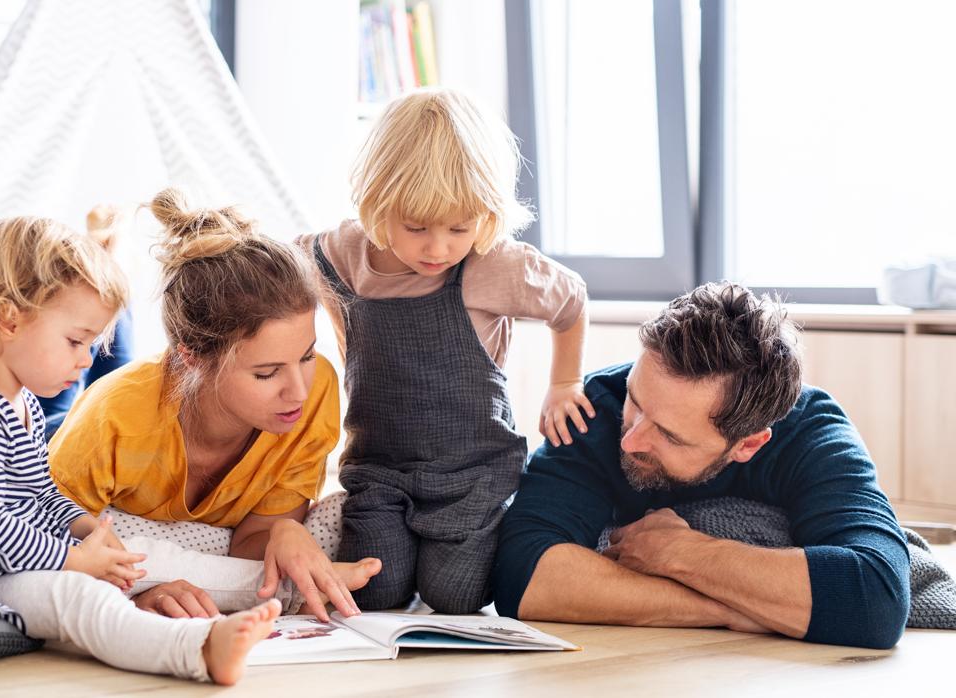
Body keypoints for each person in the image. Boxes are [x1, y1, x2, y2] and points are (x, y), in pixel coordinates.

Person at [0, 215, 281, 685]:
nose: (87, 358)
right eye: (76, 341)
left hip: (10, 555)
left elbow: (39, 493)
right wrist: (73, 560)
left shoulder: (21, 401)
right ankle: (195, 649)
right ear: (7, 319)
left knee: (138, 552)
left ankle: (286, 590)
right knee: (79, 596)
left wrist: (88, 527)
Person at [295, 87, 592, 614]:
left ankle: (503, 522)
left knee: (455, 595)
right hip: (379, 469)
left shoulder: (492, 265)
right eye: (416, 228)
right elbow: (274, 269)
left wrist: (564, 383)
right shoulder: (339, 254)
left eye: (459, 227)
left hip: (471, 475)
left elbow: (571, 301)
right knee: (376, 593)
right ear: (377, 202)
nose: (438, 249)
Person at [492, 281, 910, 650]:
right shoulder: (595, 407)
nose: (631, 438)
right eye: (635, 402)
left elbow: (878, 598)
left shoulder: (813, 432)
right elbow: (521, 574)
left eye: (670, 435)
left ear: (748, 444)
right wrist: (730, 609)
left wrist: (678, 552)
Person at [49, 189, 382, 622]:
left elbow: (247, 546)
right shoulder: (114, 415)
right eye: (266, 373)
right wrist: (131, 599)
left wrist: (283, 531)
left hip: (159, 398)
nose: (299, 391)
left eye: (305, 356)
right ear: (191, 354)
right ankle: (102, 261)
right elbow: (44, 542)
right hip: (77, 428)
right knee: (63, 376)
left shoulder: (314, 394)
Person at [37, 206, 134, 441]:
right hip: (44, 434)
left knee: (108, 400)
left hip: (42, 425)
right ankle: (101, 266)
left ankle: (101, 267)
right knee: (112, 404)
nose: (87, 360)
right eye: (75, 342)